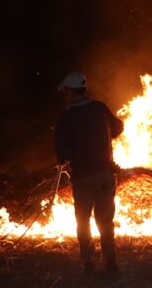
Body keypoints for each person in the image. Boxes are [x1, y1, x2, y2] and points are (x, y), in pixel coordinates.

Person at [55, 71, 123, 276]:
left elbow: (62, 154)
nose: (65, 95)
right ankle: (110, 263)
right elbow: (118, 127)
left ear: (69, 92)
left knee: (83, 221)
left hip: (83, 178)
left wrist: (67, 160)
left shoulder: (67, 117)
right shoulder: (100, 108)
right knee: (105, 222)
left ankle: (88, 263)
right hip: (104, 175)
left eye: (65, 92)